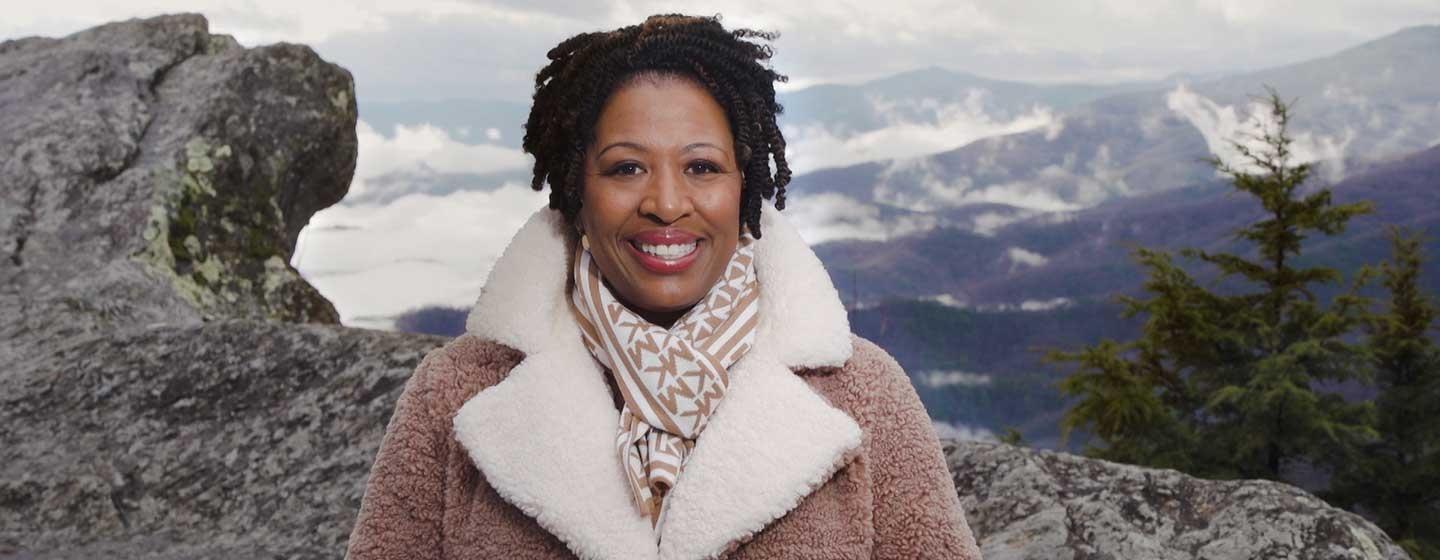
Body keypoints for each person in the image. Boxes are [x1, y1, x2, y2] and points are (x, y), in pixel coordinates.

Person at [344, 13, 981, 560]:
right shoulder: (455, 394)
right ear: (575, 191)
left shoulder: (864, 397)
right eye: (626, 168)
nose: (667, 203)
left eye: (702, 167)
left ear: (744, 188)